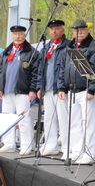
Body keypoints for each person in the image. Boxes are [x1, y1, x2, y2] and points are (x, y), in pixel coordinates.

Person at [57, 19, 95, 164]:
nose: (79, 32)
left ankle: (88, 154)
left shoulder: (94, 47)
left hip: (86, 90)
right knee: (74, 123)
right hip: (72, 90)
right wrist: (62, 87)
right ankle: (76, 152)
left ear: (87, 30)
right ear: (72, 31)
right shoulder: (70, 47)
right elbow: (63, 68)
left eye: (82, 29)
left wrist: (92, 89)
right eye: (76, 30)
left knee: (88, 123)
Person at [0, 25, 39, 155]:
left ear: (24, 35)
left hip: (22, 90)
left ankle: (26, 145)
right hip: (7, 90)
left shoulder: (31, 52)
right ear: (12, 35)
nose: (18, 36)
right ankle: (9, 143)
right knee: (7, 118)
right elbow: (1, 72)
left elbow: (35, 72)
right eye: (15, 34)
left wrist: (33, 89)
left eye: (21, 34)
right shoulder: (7, 52)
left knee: (24, 118)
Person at [36, 20, 69, 157]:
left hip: (59, 88)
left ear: (62, 30)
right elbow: (40, 69)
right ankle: (51, 145)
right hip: (48, 88)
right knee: (49, 118)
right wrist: (40, 86)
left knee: (64, 118)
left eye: (57, 28)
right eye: (52, 29)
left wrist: (64, 86)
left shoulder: (67, 46)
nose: (54, 31)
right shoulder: (46, 46)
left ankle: (67, 147)